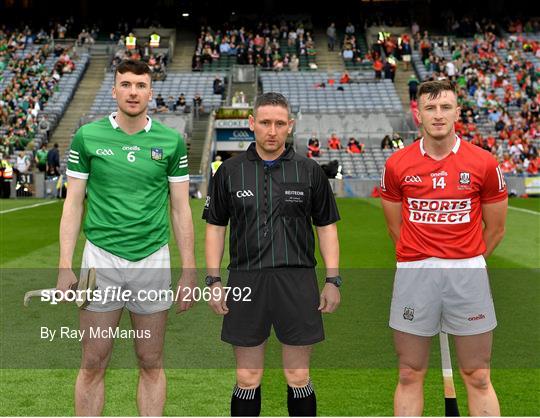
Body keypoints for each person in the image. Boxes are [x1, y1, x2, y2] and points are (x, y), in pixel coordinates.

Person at [56, 59, 197, 416]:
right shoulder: (88, 136)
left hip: (152, 259)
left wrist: (190, 269)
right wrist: (64, 264)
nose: (133, 91)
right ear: (114, 89)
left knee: (150, 360)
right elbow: (73, 203)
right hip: (99, 260)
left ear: (151, 92)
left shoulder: (170, 141)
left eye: (140, 85)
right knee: (92, 360)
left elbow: (181, 209)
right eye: (126, 84)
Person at [203, 92, 341, 417]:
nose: (272, 130)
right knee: (247, 377)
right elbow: (215, 227)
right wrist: (213, 280)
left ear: (290, 126)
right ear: (251, 124)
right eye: (265, 122)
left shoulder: (309, 171)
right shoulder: (229, 172)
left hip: (297, 281)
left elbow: (326, 227)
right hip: (246, 280)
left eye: (280, 123)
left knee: (298, 375)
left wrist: (333, 279)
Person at [380, 80, 507, 416]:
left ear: (457, 112)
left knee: (478, 375)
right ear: (417, 113)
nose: (438, 115)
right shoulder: (396, 164)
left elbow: (495, 229)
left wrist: (467, 261)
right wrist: (423, 260)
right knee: (409, 372)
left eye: (446, 107)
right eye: (430, 108)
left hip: (467, 275)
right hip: (414, 273)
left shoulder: (483, 163)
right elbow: (395, 228)